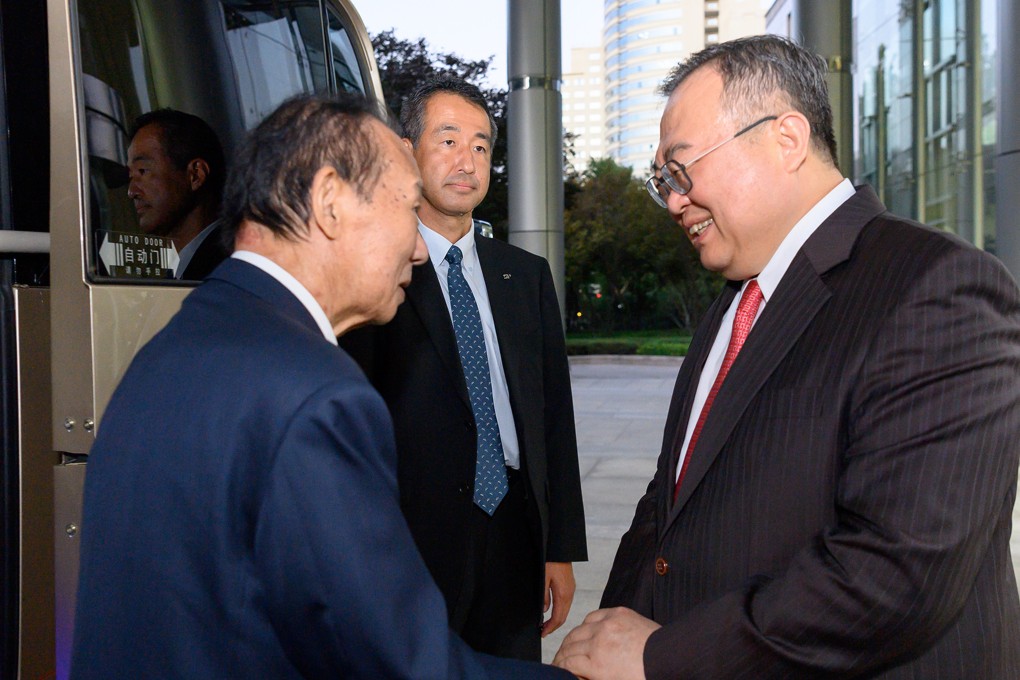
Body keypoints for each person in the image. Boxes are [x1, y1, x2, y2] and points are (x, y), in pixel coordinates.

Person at [553, 35, 1020, 679]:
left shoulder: (938, 287)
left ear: (786, 138)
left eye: (682, 171)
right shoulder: (737, 298)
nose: (673, 201)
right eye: (662, 180)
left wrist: (663, 657)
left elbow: (897, 575)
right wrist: (607, 644)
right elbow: (671, 502)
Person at [71, 93, 574, 679]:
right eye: (406, 209)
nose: (417, 247)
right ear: (332, 203)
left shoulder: (181, 342)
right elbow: (399, 664)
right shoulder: (315, 396)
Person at [340, 77, 587, 661]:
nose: (466, 161)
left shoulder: (525, 276)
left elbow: (554, 418)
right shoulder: (377, 271)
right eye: (448, 140)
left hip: (514, 531)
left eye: (480, 147)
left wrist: (560, 546)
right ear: (407, 150)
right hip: (412, 540)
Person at [126, 108, 228, 279]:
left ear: (195, 175)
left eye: (142, 171)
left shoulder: (229, 271)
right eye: (130, 176)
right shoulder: (179, 271)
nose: (131, 192)